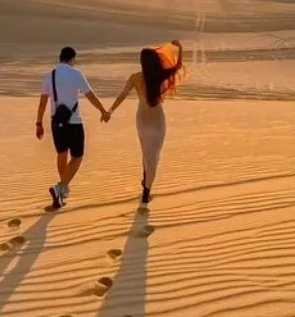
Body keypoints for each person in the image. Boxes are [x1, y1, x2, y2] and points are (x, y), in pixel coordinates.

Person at [104, 41, 185, 204]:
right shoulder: (159, 75)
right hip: (157, 119)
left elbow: (122, 95)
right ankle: (147, 189)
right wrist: (181, 48)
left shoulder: (135, 78)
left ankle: (146, 181)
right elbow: (177, 66)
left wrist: (110, 111)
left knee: (147, 152)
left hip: (142, 119)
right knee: (153, 154)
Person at [35, 46, 112, 210]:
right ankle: (60, 187)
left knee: (61, 154)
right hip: (74, 122)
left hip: (56, 123)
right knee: (77, 157)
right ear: (72, 58)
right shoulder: (76, 74)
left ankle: (61, 193)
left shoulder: (50, 76)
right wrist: (103, 111)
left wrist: (39, 123)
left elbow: (42, 102)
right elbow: (90, 96)